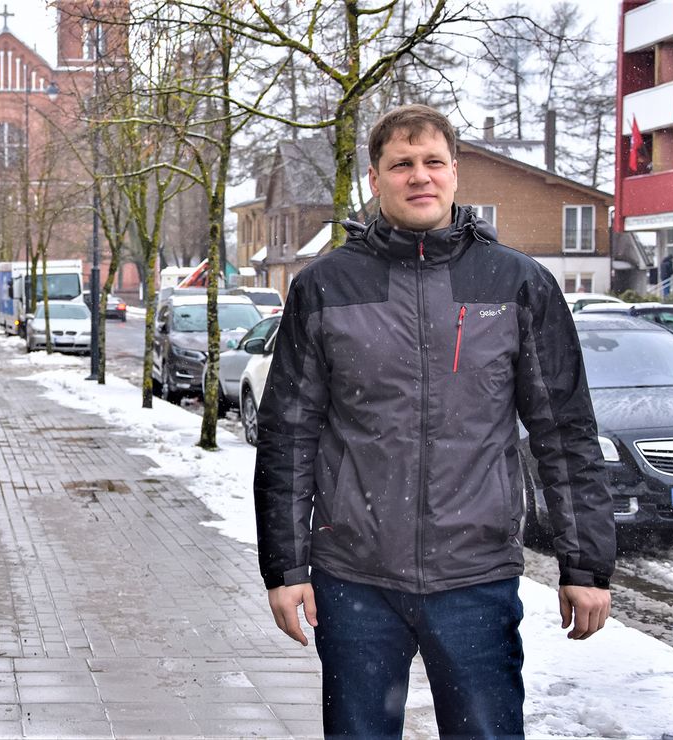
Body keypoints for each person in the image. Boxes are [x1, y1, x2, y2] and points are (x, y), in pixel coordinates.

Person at [253, 104, 615, 740]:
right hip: (355, 579)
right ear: (375, 178)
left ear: (454, 172)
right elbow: (288, 436)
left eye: (433, 162)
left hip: (475, 577)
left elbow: (564, 432)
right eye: (401, 164)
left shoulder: (516, 283)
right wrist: (286, 569)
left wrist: (584, 564)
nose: (419, 176)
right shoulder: (327, 286)